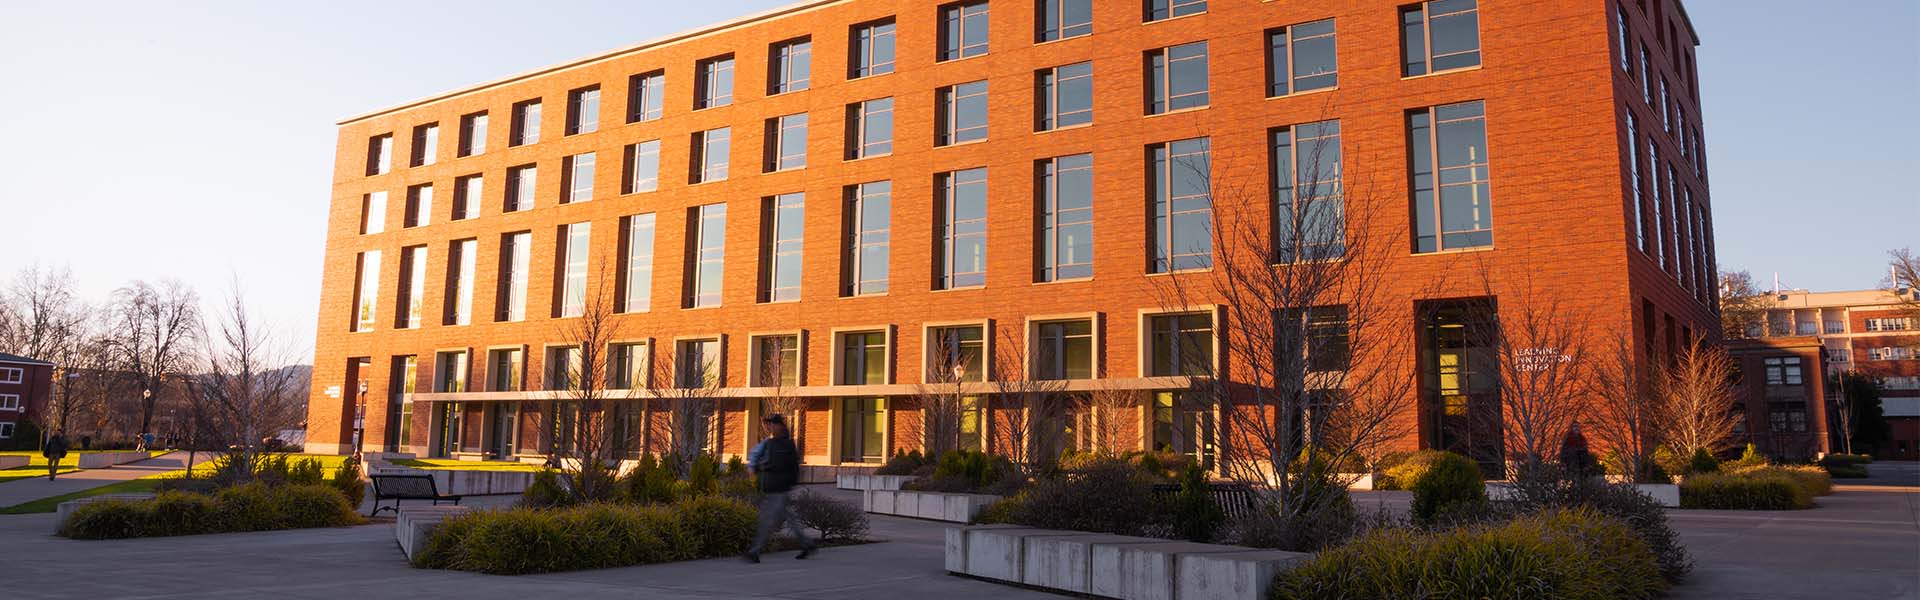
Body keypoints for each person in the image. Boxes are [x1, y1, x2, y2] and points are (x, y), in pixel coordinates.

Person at [743, 413, 814, 563]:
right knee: (790, 518)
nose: (769, 427)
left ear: (779, 426)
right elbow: (756, 456)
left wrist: (787, 481)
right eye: (769, 424)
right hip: (773, 487)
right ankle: (807, 545)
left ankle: (754, 551)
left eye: (772, 424)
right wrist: (754, 468)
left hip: (778, 488)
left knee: (767, 520)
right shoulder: (770, 443)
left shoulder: (786, 445)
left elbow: (792, 466)